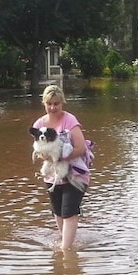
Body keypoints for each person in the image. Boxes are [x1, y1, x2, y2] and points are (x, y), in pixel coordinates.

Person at [32, 84, 90, 251]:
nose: (52, 107)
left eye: (56, 103)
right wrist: (45, 156)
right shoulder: (39, 123)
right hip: (53, 176)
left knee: (69, 212)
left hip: (75, 175)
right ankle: (68, 243)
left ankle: (66, 253)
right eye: (49, 104)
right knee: (57, 212)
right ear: (44, 103)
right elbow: (38, 150)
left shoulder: (69, 120)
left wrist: (60, 156)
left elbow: (81, 148)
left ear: (62, 103)